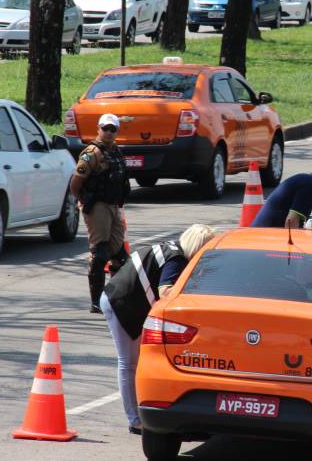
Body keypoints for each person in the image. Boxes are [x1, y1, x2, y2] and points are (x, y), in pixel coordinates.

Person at [100, 224, 218, 435]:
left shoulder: (172, 249)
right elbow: (166, 291)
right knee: (128, 362)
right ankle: (135, 420)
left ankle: (138, 414)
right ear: (197, 246)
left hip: (123, 297)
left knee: (133, 361)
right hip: (120, 302)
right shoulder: (177, 260)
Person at [70, 113, 131, 313]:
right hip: (98, 206)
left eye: (113, 129)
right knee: (100, 252)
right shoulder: (92, 152)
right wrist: (84, 201)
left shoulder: (116, 152)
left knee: (119, 254)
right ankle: (96, 301)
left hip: (114, 205)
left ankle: (115, 296)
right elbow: (75, 183)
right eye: (106, 128)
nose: (109, 132)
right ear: (98, 128)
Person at [251, 161, 312, 228]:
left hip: (263, 235)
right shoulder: (310, 186)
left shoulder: (309, 181)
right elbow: (291, 223)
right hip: (264, 238)